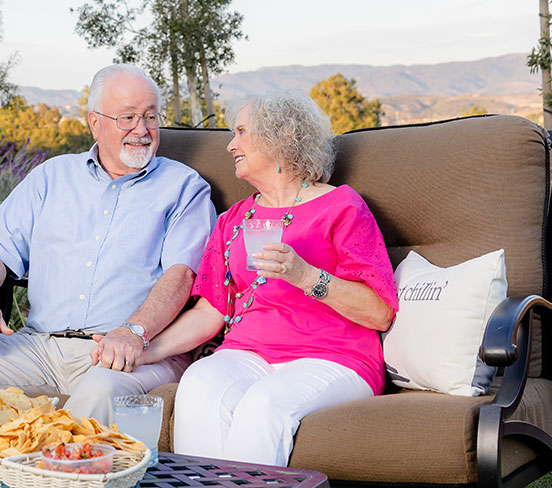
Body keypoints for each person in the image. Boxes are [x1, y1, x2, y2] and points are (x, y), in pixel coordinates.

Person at [0, 64, 216, 424]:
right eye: (127, 117)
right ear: (95, 122)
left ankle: (52, 470)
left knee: (98, 393)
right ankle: (0, 464)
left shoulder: (184, 188)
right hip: (40, 347)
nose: (141, 130)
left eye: (150, 117)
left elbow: (182, 276)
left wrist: (134, 332)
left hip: (129, 351)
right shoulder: (52, 176)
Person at [138, 92, 397, 466]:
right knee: (197, 385)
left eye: (242, 132)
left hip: (333, 357)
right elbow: (212, 311)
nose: (230, 145)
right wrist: (143, 348)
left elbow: (379, 313)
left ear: (284, 135)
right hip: (247, 353)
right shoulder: (234, 220)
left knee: (261, 405)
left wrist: (306, 276)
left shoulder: (341, 206)